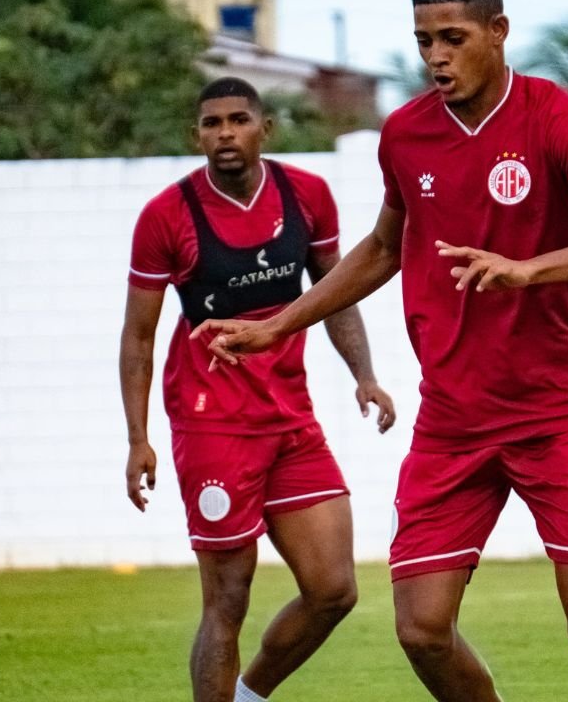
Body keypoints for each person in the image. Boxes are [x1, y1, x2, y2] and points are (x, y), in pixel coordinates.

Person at [192, 0, 568, 702]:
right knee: (422, 629)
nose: (436, 55)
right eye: (423, 39)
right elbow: (380, 249)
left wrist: (525, 269)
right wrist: (280, 325)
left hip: (557, 413)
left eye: (453, 36)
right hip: (453, 424)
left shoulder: (556, 116)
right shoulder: (405, 134)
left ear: (498, 33)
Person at [119, 76, 396, 702]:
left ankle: (248, 696)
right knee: (228, 597)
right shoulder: (167, 216)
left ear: (264, 129)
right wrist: (138, 439)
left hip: (291, 420)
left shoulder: (308, 197)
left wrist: (365, 377)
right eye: (211, 123)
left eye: (238, 120)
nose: (225, 134)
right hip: (211, 424)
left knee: (334, 589)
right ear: (197, 135)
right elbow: (138, 338)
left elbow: (336, 295)